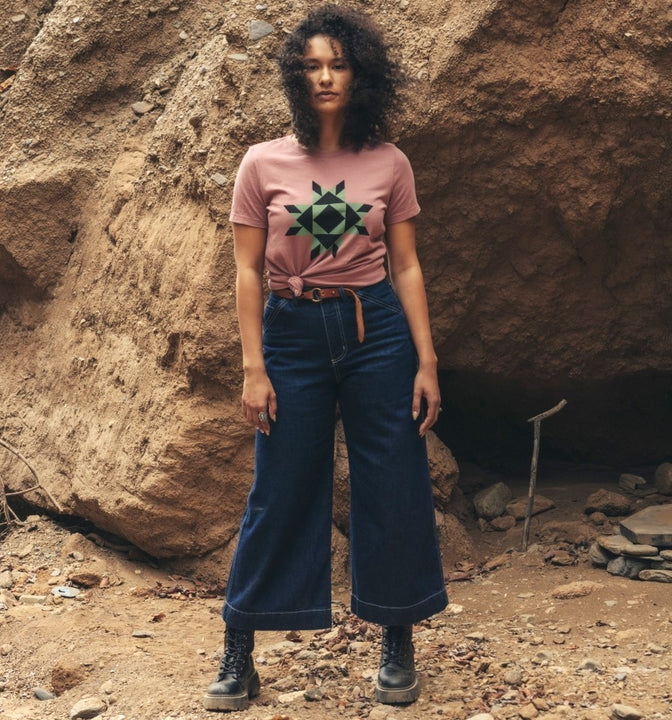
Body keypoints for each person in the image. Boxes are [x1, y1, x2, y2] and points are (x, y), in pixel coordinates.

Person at [204, 4, 448, 711]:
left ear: (360, 73)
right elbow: (247, 271)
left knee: (395, 479)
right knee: (278, 487)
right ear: (295, 78)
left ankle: (397, 638)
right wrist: (254, 367)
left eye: (338, 64)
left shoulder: (389, 162)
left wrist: (426, 359)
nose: (325, 77)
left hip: (378, 333)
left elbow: (406, 266)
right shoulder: (262, 162)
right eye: (311, 66)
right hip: (292, 331)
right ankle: (239, 651)